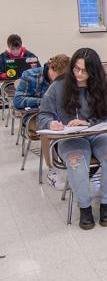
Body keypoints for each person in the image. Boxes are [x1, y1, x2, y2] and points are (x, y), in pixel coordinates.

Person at [38, 48, 107, 230]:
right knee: (76, 161)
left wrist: (88, 122)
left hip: (99, 133)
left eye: (84, 71)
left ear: (94, 71)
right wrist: (51, 123)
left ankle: (106, 204)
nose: (79, 74)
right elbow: (42, 115)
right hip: (71, 137)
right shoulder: (59, 86)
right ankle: (85, 208)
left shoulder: (102, 86)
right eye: (76, 69)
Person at [13, 54, 70, 190]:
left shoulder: (68, 78)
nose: (61, 82)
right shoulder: (29, 75)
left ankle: (76, 165)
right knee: (47, 128)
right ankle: (52, 172)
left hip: (60, 115)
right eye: (58, 77)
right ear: (50, 68)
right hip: (34, 116)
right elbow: (17, 100)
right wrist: (44, 101)